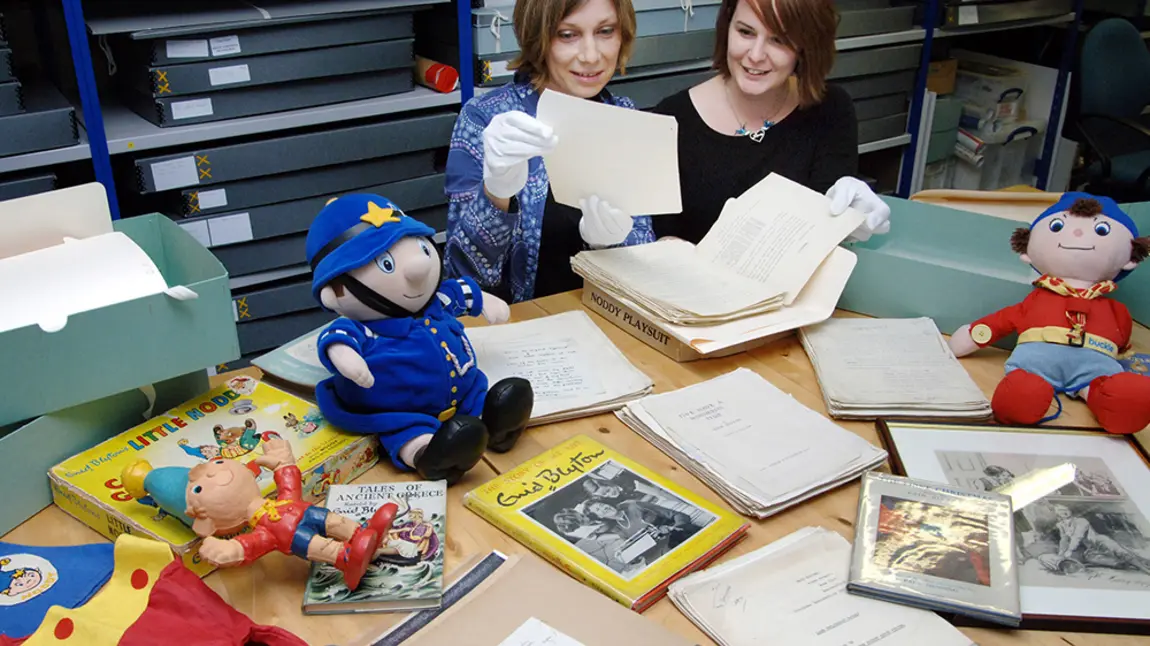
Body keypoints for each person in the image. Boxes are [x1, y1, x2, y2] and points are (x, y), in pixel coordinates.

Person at [444, 0, 655, 303]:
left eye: (605, 31)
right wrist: (495, 195)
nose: (591, 55)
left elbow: (643, 280)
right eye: (568, 35)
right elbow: (462, 280)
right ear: (537, 38)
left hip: (605, 329)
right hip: (518, 331)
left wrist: (612, 246)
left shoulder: (625, 118)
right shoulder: (486, 119)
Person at [649, 0, 892, 245]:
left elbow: (827, 228)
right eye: (745, 32)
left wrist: (848, 219)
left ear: (805, 45)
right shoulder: (671, 120)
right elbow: (656, 237)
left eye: (779, 40)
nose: (755, 55)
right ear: (727, 27)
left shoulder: (830, 110)